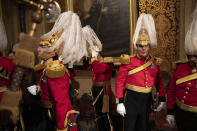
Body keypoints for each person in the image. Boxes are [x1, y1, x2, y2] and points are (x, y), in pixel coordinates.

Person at [29, 11, 87, 131]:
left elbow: (62, 103)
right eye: (40, 46)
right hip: (46, 112)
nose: (39, 49)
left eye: (43, 46)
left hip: (55, 115)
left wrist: (62, 127)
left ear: (53, 51)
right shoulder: (47, 66)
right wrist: (39, 89)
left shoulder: (55, 69)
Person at [115, 13, 166, 131]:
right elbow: (119, 82)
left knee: (143, 127)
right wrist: (120, 102)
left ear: (149, 46)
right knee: (129, 128)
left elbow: (159, 83)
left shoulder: (155, 62)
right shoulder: (128, 61)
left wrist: (162, 99)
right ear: (136, 46)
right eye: (140, 46)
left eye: (146, 46)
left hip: (146, 100)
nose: (143, 48)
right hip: (131, 100)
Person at [166, 4, 197, 131]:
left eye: (194, 55)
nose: (191, 58)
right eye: (189, 55)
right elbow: (172, 90)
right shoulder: (181, 68)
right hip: (181, 114)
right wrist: (169, 111)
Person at [83, 25, 114, 131]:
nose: (92, 52)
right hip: (95, 88)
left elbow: (98, 69)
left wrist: (95, 57)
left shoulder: (107, 61)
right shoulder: (94, 60)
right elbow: (87, 68)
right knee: (97, 113)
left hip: (104, 90)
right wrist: (86, 58)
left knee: (105, 114)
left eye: (93, 49)